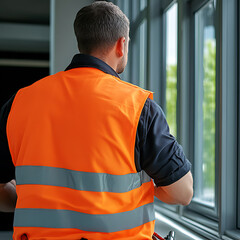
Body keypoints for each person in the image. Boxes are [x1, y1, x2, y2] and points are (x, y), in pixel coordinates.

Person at [0, 2, 193, 239]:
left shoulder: (19, 103)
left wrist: (37, 199)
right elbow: (182, 192)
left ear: (81, 42)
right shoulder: (139, 108)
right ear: (122, 44)